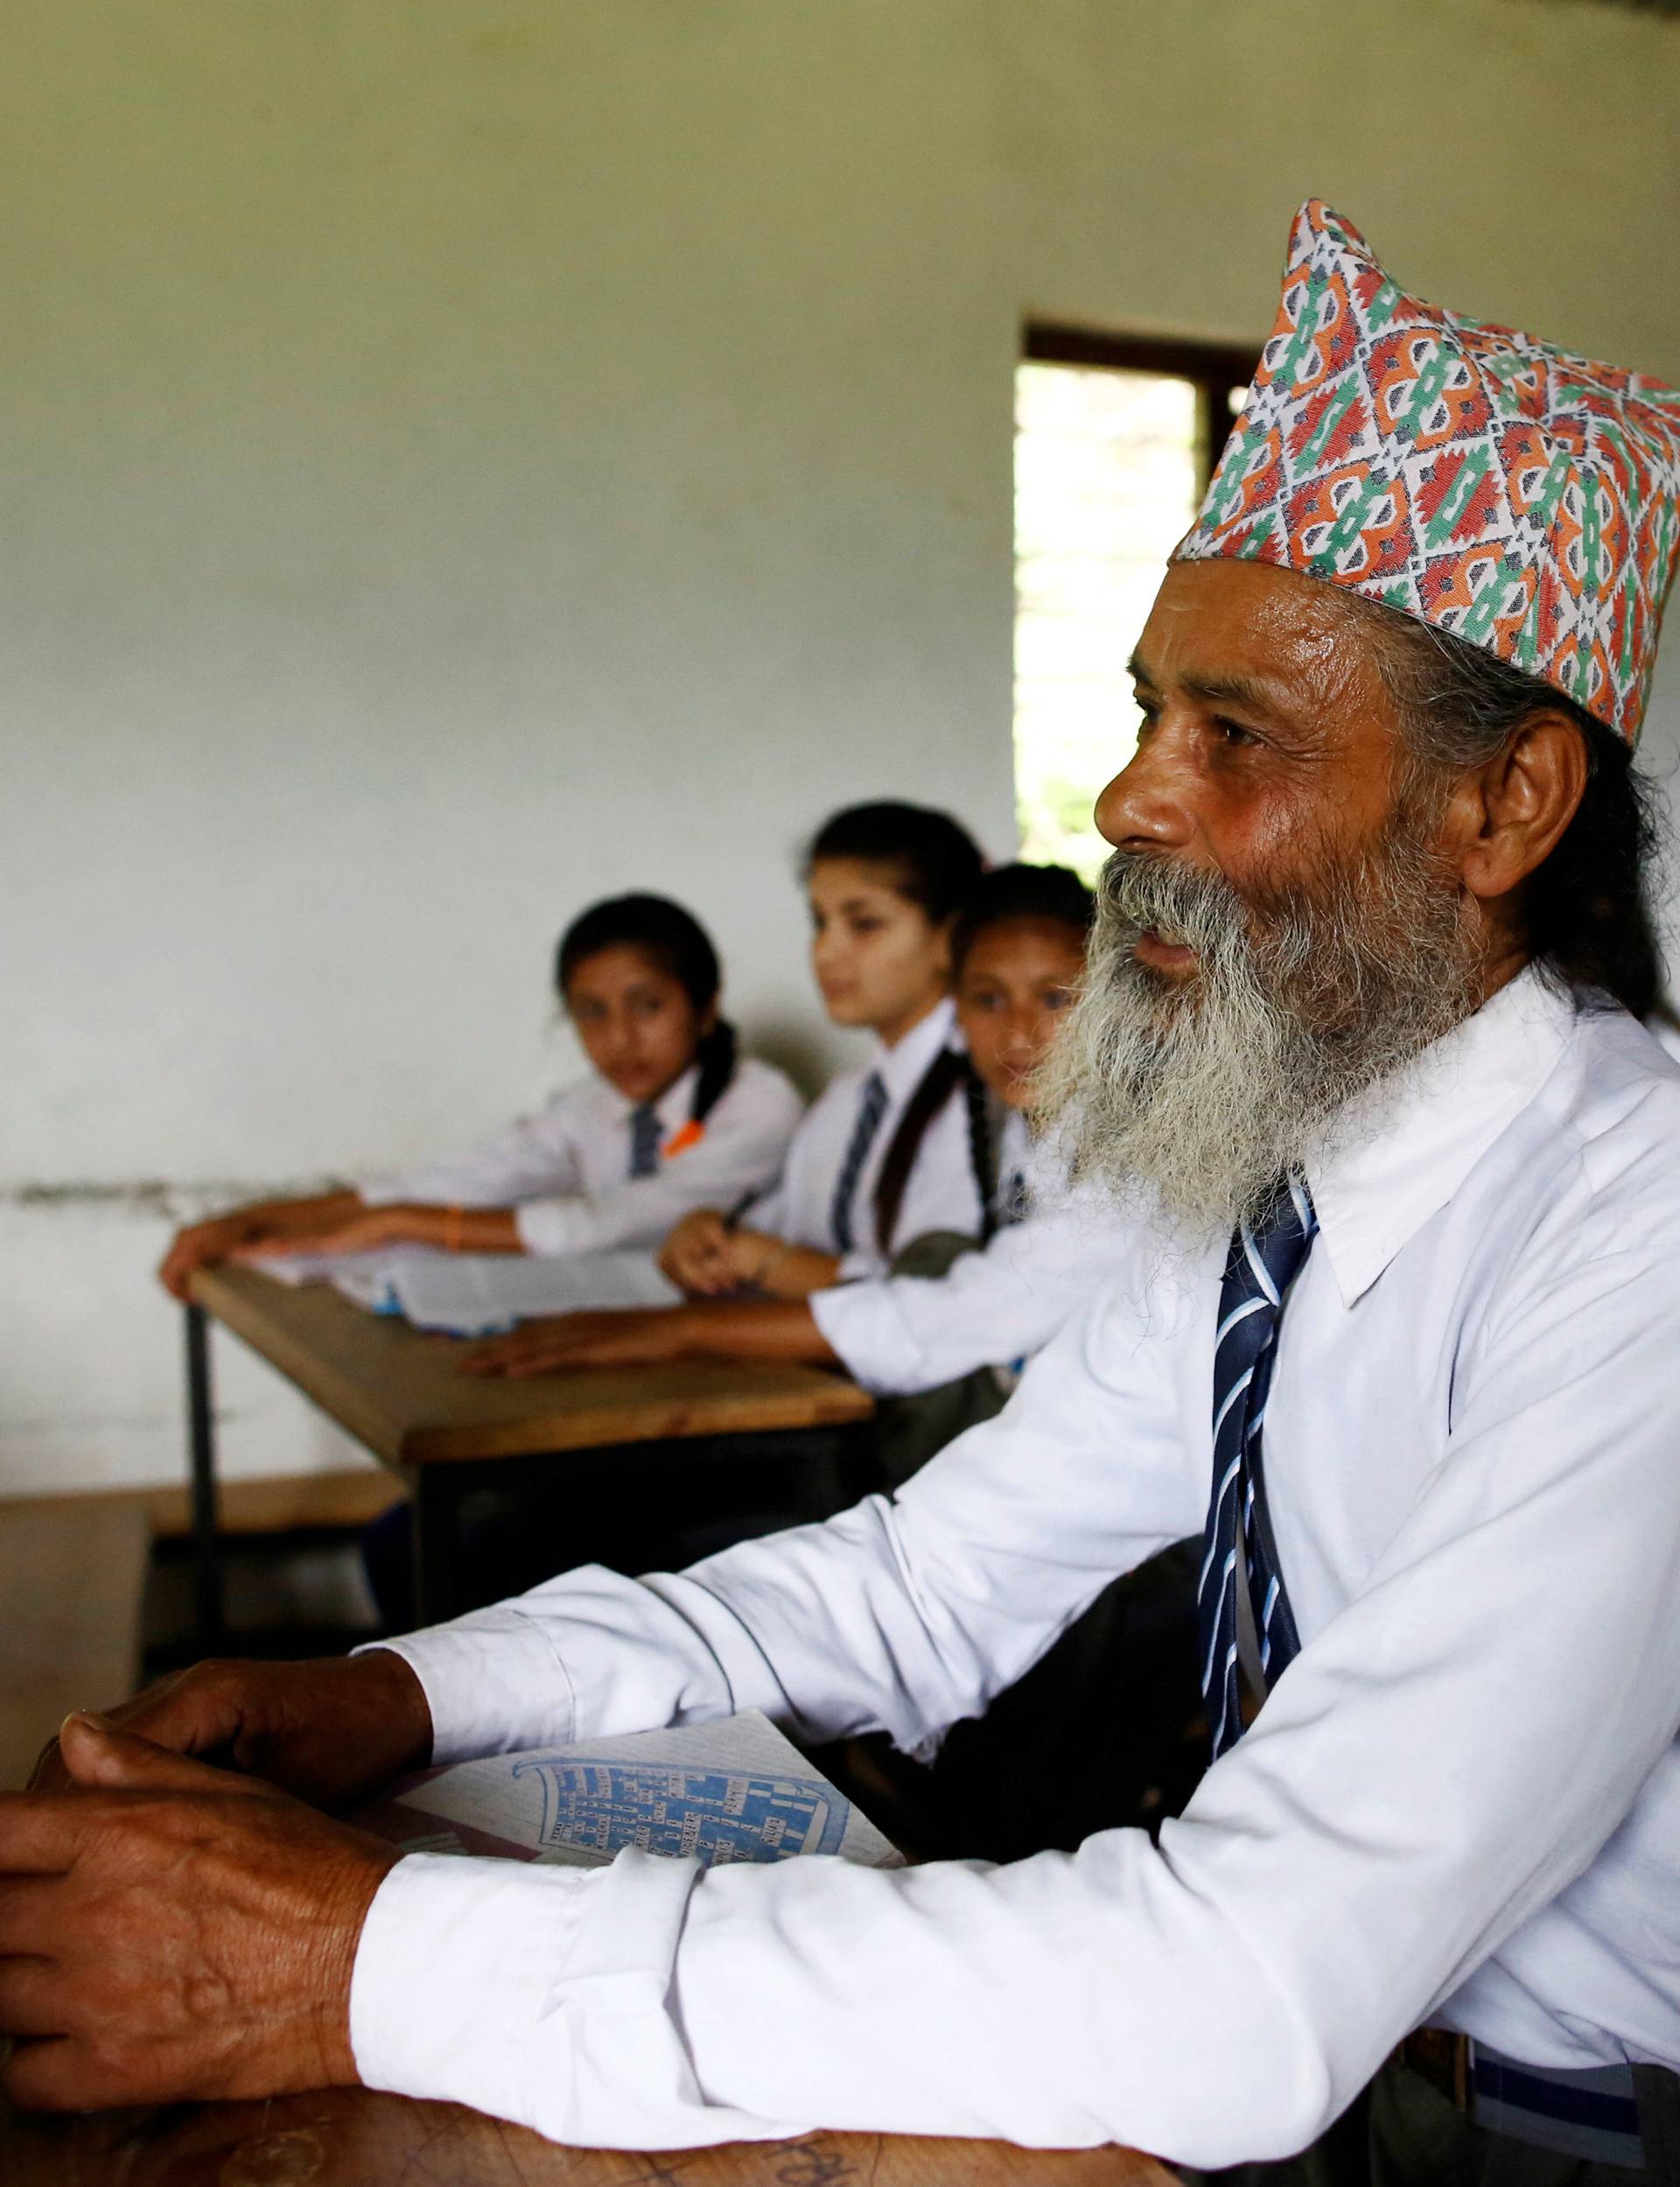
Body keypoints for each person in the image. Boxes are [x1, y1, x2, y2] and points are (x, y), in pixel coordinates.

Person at [11, 200, 1680, 2185]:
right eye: (1148, 710)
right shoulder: (1282, 1182)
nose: (1132, 800)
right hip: (1322, 2091)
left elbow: (1246, 1978)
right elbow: (920, 1580)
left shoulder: (1632, 1238)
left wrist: (349, 1961)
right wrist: (389, 1698)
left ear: (1505, 809)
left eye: (1234, 736)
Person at [458, 862, 1102, 1412]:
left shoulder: (1111, 1157)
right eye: (988, 1000)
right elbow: (791, 1231)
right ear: (957, 999)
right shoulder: (949, 1120)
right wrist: (717, 1240)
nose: (1019, 1031)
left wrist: (684, 1330)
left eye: (1054, 997)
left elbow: (952, 1309)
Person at [157, 894, 803, 1297]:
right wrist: (254, 1221)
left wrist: (398, 1222)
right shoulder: (591, 1105)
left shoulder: (759, 1106)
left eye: (648, 1007)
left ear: (707, 1006)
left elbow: (609, 1223)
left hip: (755, 1354)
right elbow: (458, 1180)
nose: (620, 1038)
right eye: (591, 1012)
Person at [657, 800, 989, 1302]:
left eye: (864, 924)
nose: (825, 951)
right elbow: (781, 1224)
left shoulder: (985, 1101)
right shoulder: (847, 1102)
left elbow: (937, 1294)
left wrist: (768, 1261)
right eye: (819, 922)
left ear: (951, 936)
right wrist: (707, 1233)